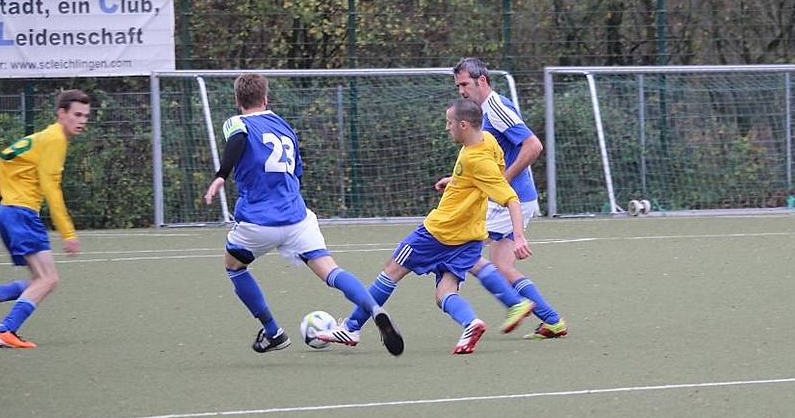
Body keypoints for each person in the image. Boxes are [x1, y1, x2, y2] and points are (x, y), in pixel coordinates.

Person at [202, 73, 403, 356]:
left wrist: (222, 175)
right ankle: (373, 308)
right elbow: (297, 173)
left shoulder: (237, 122)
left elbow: (236, 139)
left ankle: (273, 332)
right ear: (265, 98)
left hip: (258, 221)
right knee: (330, 270)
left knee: (234, 267)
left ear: (238, 100)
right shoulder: (285, 127)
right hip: (297, 218)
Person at [318, 99, 532, 354]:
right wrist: (457, 182)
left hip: (438, 232)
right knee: (444, 293)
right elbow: (484, 177)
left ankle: (351, 327)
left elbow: (510, 198)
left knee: (391, 271)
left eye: (449, 122)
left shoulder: (476, 159)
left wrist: (519, 236)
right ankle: (470, 323)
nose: (447, 127)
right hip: (470, 238)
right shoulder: (488, 141)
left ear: (464, 125)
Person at [447, 56, 567, 339]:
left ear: (482, 80)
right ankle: (552, 321)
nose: (461, 91)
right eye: (458, 86)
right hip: (507, 198)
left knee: (460, 246)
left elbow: (533, 145)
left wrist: (504, 180)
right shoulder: (482, 111)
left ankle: (457, 298)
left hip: (512, 200)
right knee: (500, 267)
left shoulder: (497, 107)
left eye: (465, 84)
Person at [0, 89, 91, 348]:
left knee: (40, 280)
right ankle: (6, 330)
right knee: (48, 279)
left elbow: (4, 157)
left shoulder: (43, 137)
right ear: (61, 113)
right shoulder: (55, 139)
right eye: (77, 115)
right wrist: (68, 233)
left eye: (85, 116)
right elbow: (52, 188)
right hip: (22, 213)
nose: (82, 121)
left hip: (8, 211)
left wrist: (5, 193)